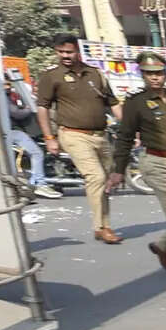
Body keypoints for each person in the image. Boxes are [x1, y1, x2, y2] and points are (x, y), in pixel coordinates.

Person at [108, 52, 166, 272]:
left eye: (158, 73)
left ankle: (163, 246)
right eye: (149, 74)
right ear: (142, 75)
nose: (155, 78)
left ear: (165, 74)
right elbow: (125, 137)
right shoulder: (136, 103)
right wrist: (118, 169)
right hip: (158, 162)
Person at [33, 35, 120, 244]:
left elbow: (113, 103)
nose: (65, 56)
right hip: (73, 134)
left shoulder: (95, 74)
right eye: (61, 52)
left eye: (69, 52)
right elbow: (42, 108)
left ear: (77, 52)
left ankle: (102, 225)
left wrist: (130, 129)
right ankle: (102, 227)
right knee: (96, 177)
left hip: (101, 135)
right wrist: (49, 137)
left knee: (107, 180)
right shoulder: (51, 76)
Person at [2, 70, 59, 199]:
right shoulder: (3, 97)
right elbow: (16, 113)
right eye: (6, 84)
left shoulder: (7, 95)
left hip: (11, 130)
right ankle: (39, 183)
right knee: (37, 153)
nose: (8, 86)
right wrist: (28, 109)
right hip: (12, 131)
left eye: (9, 84)